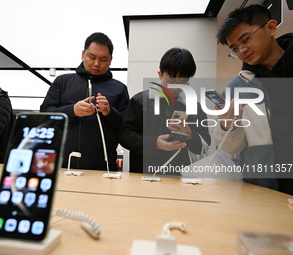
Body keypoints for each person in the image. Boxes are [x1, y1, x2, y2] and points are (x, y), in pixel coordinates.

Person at [215, 4, 293, 195]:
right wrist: (228, 127)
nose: (242, 51)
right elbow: (232, 146)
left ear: (271, 27)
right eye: (235, 49)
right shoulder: (237, 88)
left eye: (246, 40)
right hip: (266, 189)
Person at [40, 32, 129, 170]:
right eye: (91, 57)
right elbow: (44, 115)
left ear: (111, 60)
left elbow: (127, 128)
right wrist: (72, 111)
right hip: (60, 165)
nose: (96, 63)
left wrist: (110, 112)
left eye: (103, 59)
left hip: (103, 168)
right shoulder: (62, 81)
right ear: (83, 54)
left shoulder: (119, 88)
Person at [119, 48, 211, 174]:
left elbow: (206, 143)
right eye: (171, 80)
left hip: (182, 176)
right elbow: (125, 135)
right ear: (160, 74)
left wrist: (191, 135)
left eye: (183, 81)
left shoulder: (195, 107)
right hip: (144, 175)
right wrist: (154, 143)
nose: (176, 86)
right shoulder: (139, 101)